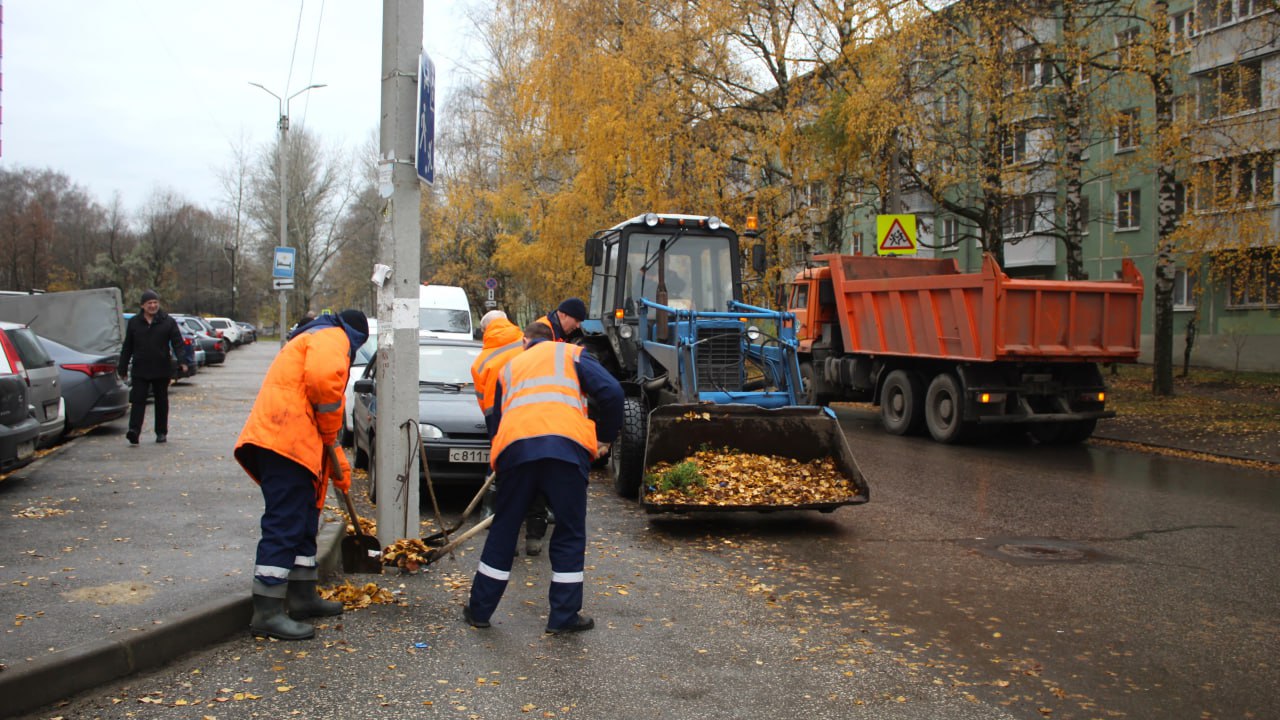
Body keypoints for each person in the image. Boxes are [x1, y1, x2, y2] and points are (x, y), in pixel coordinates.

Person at [464, 320, 623, 635]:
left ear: (525, 342)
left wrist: (501, 457)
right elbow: (613, 393)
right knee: (569, 531)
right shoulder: (571, 354)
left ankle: (480, 610)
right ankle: (563, 617)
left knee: (505, 528)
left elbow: (495, 418)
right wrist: (604, 439)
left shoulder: (509, 368)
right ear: (553, 338)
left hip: (516, 451)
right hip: (565, 450)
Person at [234, 309, 370, 640]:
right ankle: (266, 611)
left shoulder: (319, 335)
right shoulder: (331, 337)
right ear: (355, 338)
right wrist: (328, 432)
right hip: (284, 441)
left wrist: (338, 461)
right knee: (285, 522)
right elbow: (324, 383)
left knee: (305, 519)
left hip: (293, 440)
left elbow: (324, 416)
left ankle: (302, 594)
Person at [470, 310, 549, 557]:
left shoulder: (481, 361)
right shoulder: (527, 343)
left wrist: (496, 436)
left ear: (485, 330)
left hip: (503, 427)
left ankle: (509, 540)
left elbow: (486, 404)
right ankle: (534, 537)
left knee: (508, 482)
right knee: (536, 477)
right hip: (535, 419)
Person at [119, 289, 187, 445]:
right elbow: (127, 346)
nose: (153, 305)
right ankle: (134, 431)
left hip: (161, 368)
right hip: (140, 368)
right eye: (149, 303)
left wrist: (183, 362)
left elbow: (178, 343)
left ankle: (161, 432)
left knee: (161, 401)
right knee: (138, 400)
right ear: (143, 305)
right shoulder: (135, 323)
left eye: (155, 302)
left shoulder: (167, 321)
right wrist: (122, 368)